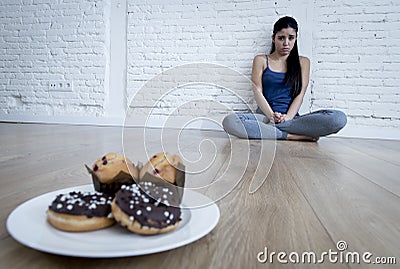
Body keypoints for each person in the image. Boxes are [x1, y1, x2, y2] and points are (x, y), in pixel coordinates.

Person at [222, 16, 347, 141]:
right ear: (273, 38)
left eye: (291, 38)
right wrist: (272, 116)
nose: (286, 43)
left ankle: (272, 131)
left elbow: (300, 94)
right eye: (281, 38)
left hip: (292, 120)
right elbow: (257, 91)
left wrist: (287, 118)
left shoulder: (303, 62)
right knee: (230, 121)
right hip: (265, 118)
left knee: (338, 118)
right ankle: (290, 136)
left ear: (295, 38)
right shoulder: (261, 60)